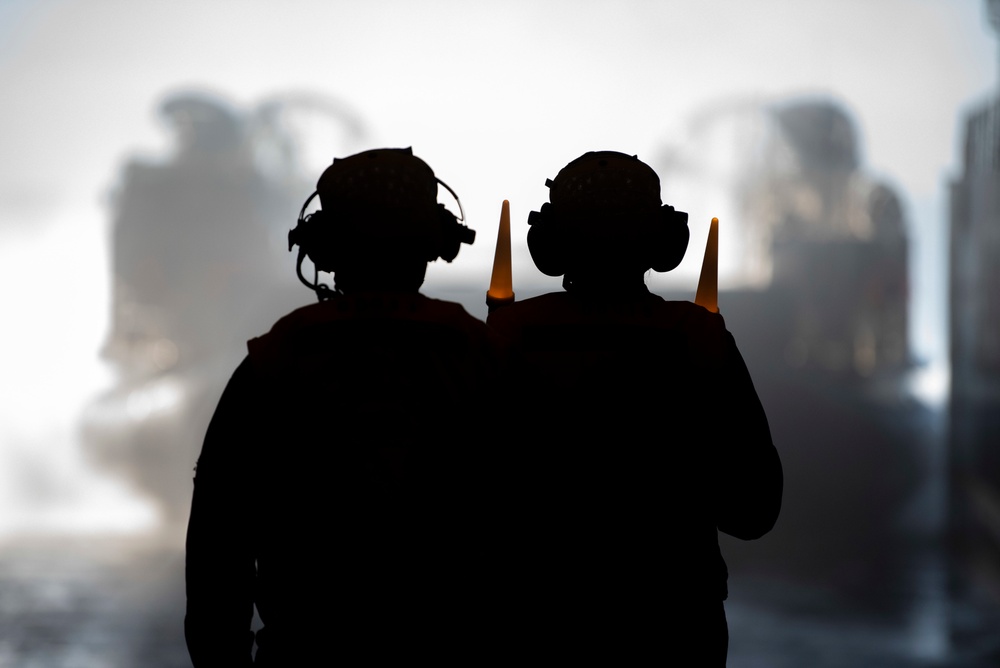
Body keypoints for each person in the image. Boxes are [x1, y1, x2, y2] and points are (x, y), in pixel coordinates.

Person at [184, 147, 502, 665]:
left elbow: (219, 550)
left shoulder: (272, 362)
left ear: (324, 248)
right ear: (436, 243)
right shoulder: (482, 357)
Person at [487, 151, 782, 665]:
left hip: (537, 623)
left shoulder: (508, 336)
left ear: (550, 243)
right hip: (673, 625)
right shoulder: (699, 338)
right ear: (664, 240)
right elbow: (754, 509)